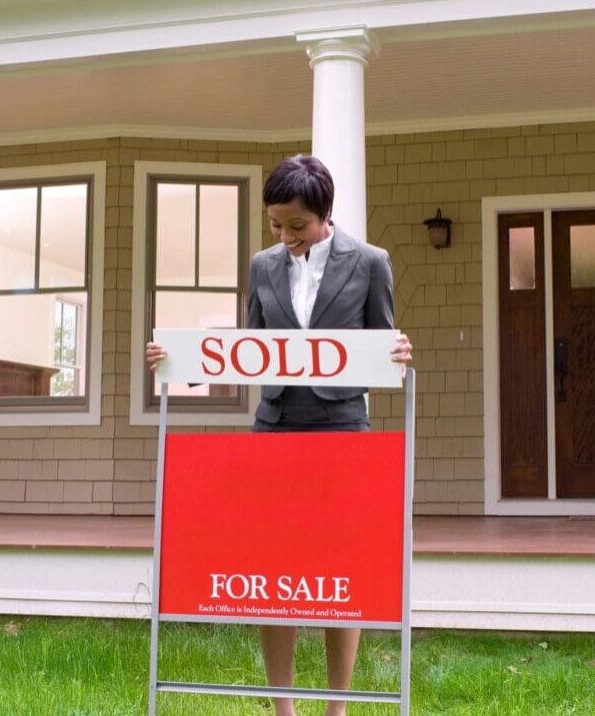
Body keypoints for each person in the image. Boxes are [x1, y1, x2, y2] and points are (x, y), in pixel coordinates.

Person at [146, 154, 412, 716]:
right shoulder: (262, 267)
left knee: (344, 575)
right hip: (275, 432)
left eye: (296, 226)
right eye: (275, 225)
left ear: (324, 216)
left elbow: (382, 348)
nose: (285, 236)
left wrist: (397, 356)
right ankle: (284, 709)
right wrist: (183, 362)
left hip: (343, 432)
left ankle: (337, 708)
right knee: (273, 570)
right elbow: (249, 348)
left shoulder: (370, 263)